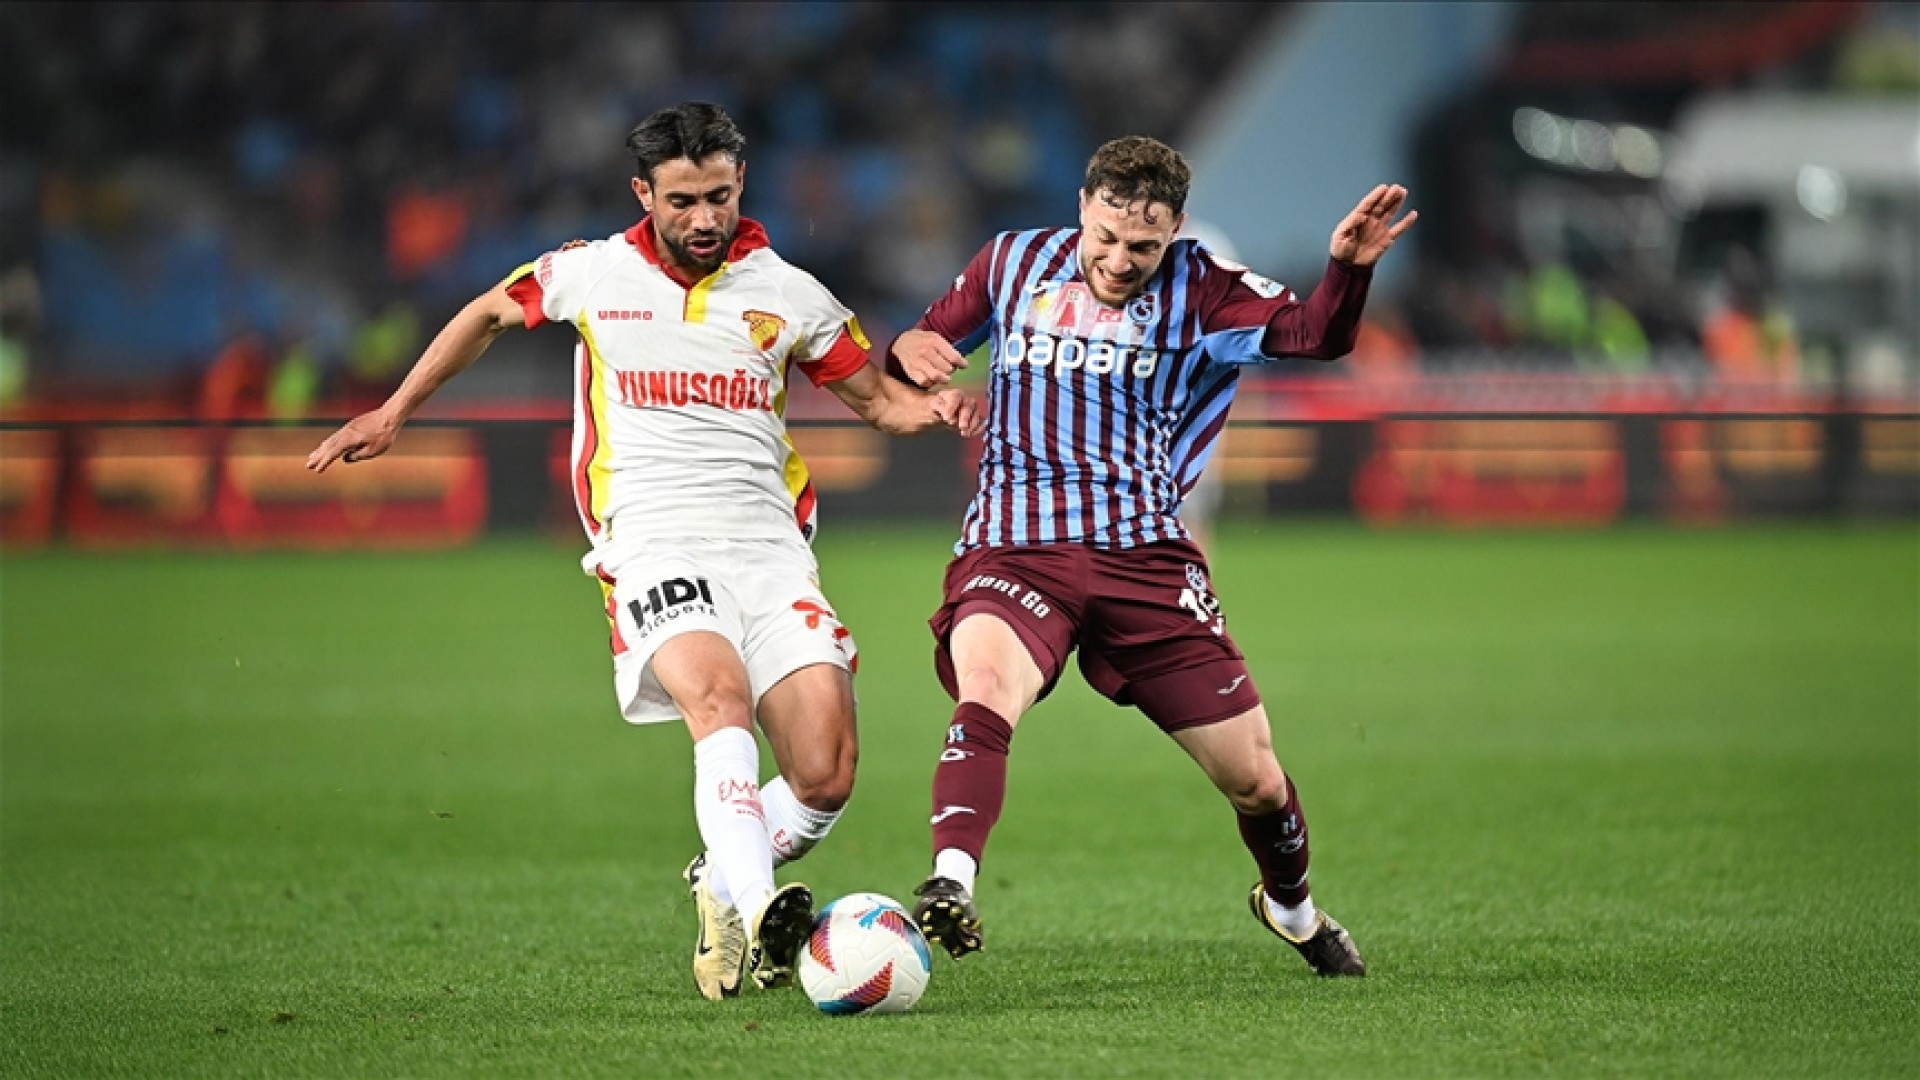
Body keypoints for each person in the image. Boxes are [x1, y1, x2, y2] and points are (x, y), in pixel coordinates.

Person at [306, 103, 982, 1002]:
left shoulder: (791, 294)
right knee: (719, 701)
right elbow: (488, 313)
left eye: (717, 196)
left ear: (740, 184)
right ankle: (761, 908)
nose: (703, 217)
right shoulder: (592, 273)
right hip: (653, 540)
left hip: (771, 552)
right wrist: (395, 411)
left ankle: (721, 879)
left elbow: (881, 404)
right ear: (643, 193)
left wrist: (942, 408)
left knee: (825, 773)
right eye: (681, 200)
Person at [884, 136, 1414, 976]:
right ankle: (951, 881)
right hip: (1016, 547)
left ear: (1175, 231)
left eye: (1143, 245)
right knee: (987, 685)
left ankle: (1292, 909)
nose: (1119, 260)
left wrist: (1346, 271)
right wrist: (908, 349)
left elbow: (1315, 335)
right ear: (1083, 208)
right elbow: (918, 348)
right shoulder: (1011, 263)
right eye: (1106, 236)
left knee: (1257, 781)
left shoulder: (1204, 287)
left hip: (1145, 558)